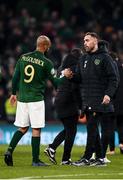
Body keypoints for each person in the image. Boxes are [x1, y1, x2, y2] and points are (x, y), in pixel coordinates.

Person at [4, 35, 71, 167]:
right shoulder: (47, 63)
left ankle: (9, 151)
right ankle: (35, 160)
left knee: (22, 128)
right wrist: (65, 76)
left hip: (22, 99)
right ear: (45, 46)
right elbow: (56, 83)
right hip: (36, 99)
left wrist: (13, 94)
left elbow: (16, 77)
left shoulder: (23, 57)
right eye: (48, 47)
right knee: (36, 129)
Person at [71, 32, 119, 166]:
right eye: (84, 41)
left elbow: (114, 78)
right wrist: (71, 76)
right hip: (87, 99)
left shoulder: (105, 58)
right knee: (93, 130)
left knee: (91, 129)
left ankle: (87, 157)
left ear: (95, 41)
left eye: (87, 40)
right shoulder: (83, 59)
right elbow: (79, 78)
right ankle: (100, 158)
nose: (85, 43)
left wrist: (108, 94)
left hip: (100, 99)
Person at [44, 48, 83, 165]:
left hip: (59, 100)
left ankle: (52, 148)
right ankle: (65, 159)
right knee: (72, 130)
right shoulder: (74, 69)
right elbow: (74, 88)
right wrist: (80, 106)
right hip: (69, 101)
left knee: (69, 129)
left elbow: (56, 85)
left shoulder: (61, 68)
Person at [107, 52, 123, 155]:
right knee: (122, 125)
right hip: (122, 104)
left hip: (112, 102)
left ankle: (112, 149)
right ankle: (122, 144)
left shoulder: (110, 70)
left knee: (110, 127)